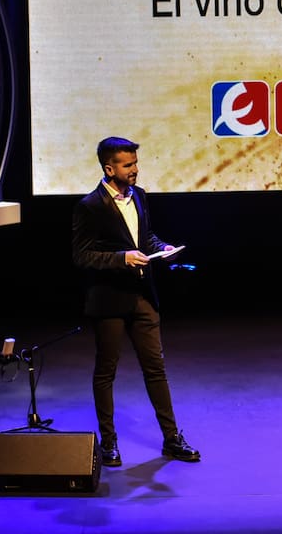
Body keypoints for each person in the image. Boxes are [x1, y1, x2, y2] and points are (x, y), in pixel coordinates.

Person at [71, 136, 200, 467]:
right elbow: (82, 256)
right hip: (109, 301)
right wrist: (122, 258)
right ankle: (109, 443)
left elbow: (145, 238)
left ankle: (172, 438)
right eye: (128, 165)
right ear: (109, 168)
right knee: (106, 371)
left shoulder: (139, 195)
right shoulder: (90, 206)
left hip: (143, 297)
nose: (135, 170)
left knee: (156, 368)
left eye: (135, 163)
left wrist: (163, 248)